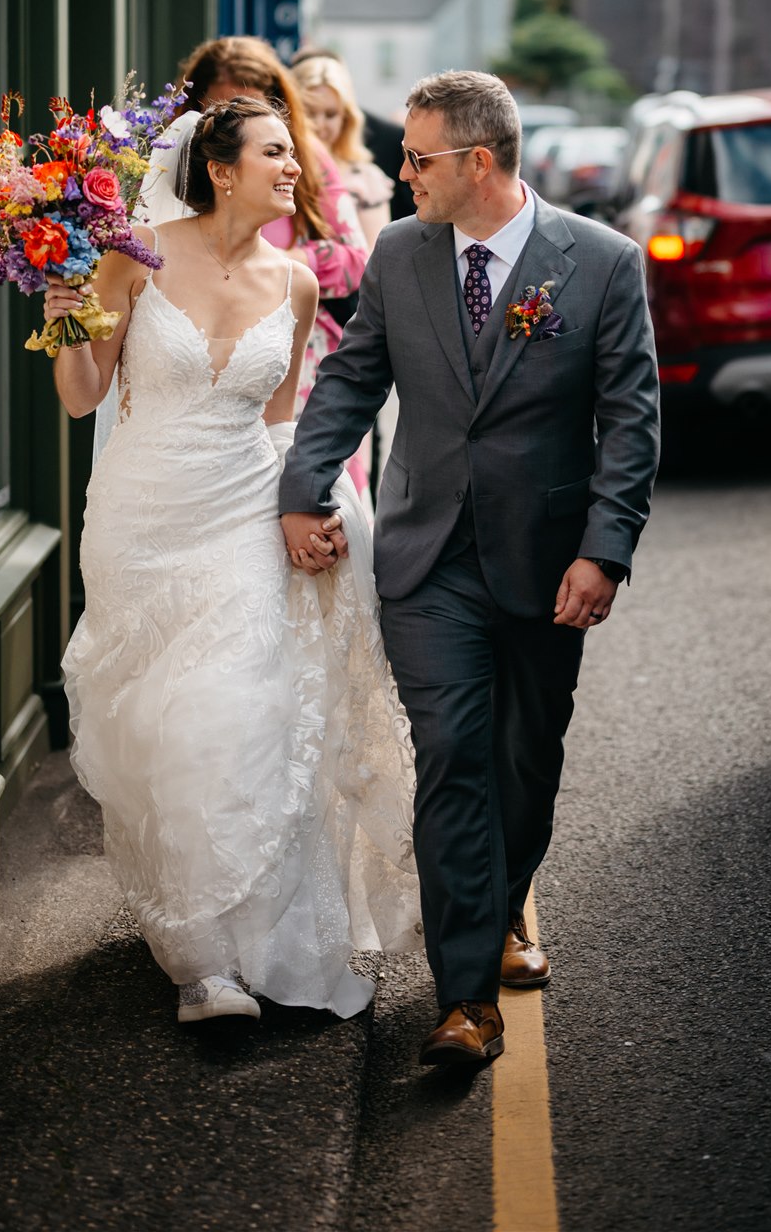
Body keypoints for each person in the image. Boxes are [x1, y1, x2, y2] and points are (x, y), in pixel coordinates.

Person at [278, 70, 659, 1069]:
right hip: (427, 553)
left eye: (417, 156)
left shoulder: (604, 263)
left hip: (547, 563)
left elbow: (629, 422)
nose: (400, 173)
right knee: (452, 754)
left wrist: (603, 548)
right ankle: (463, 1002)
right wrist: (301, 486)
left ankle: (500, 902)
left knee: (524, 761)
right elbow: (353, 375)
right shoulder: (400, 253)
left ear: (477, 161)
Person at [48, 97, 417, 1024]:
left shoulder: (295, 283)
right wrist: (62, 320)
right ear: (219, 169)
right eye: (274, 153)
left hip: (246, 509)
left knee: (239, 712)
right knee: (162, 730)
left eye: (291, 154)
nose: (293, 167)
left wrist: (312, 509)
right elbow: (83, 396)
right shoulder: (134, 257)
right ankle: (201, 946)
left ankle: (238, 956)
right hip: (142, 519)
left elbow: (283, 420)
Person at [151, 38, 372, 485]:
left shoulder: (306, 158)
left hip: (291, 356)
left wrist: (275, 264)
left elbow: (354, 259)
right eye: (222, 108)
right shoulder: (167, 172)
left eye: (250, 105)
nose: (237, 121)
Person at [292, 53, 394, 248]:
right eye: (309, 112)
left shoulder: (366, 179)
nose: (319, 125)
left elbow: (373, 261)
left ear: (346, 118)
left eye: (330, 114)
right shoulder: (276, 171)